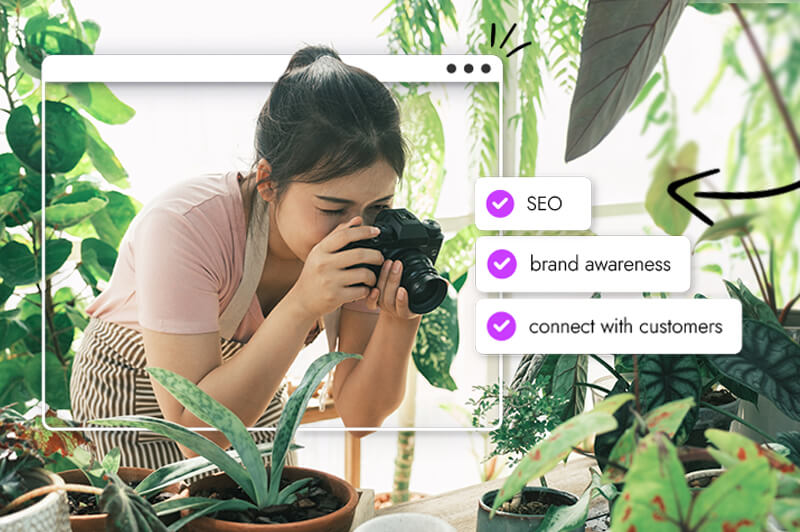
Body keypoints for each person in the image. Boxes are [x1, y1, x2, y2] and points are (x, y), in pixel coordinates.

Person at [69, 44, 423, 469]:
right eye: (333, 209)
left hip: (247, 388)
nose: (358, 229)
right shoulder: (183, 225)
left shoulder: (366, 238)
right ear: (268, 182)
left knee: (284, 508)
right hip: (131, 391)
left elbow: (361, 416)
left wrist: (401, 318)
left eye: (378, 207)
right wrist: (303, 303)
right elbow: (197, 432)